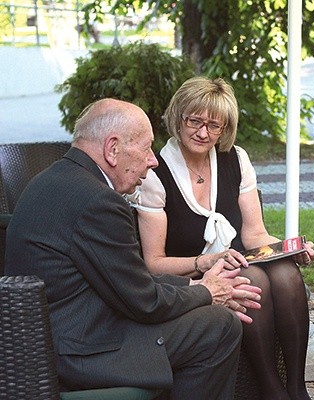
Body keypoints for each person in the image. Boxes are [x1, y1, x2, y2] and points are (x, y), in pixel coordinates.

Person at [4, 98, 262, 399]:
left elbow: (126, 278)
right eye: (146, 148)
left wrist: (194, 284)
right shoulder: (98, 201)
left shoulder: (53, 179)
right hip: (80, 352)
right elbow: (144, 302)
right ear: (113, 149)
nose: (153, 161)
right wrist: (208, 293)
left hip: (46, 339)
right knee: (218, 326)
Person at [134, 76, 314, 400]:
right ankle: (270, 389)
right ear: (178, 117)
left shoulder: (236, 158)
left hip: (238, 261)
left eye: (214, 125)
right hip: (190, 277)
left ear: (224, 128)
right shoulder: (155, 173)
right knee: (253, 278)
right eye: (195, 121)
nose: (204, 133)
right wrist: (206, 261)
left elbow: (254, 234)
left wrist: (289, 249)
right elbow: (153, 263)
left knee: (287, 273)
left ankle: (296, 387)